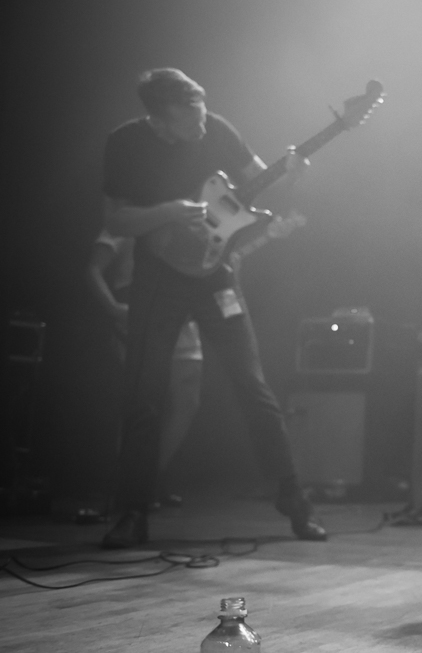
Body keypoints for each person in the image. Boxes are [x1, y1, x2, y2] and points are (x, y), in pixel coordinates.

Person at [100, 67, 325, 548]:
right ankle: (132, 512)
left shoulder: (218, 128)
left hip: (215, 275)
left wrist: (291, 177)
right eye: (190, 122)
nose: (202, 127)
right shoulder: (125, 143)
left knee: (253, 387)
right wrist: (170, 211)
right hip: (157, 278)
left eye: (203, 115)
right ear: (159, 122)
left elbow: (260, 191)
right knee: (144, 395)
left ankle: (294, 500)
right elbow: (116, 219)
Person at [86, 228, 201, 508]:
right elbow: (92, 269)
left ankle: (147, 478)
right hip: (140, 309)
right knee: (141, 403)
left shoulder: (189, 215)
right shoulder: (128, 218)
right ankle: (129, 485)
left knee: (188, 399)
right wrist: (113, 308)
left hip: (180, 312)